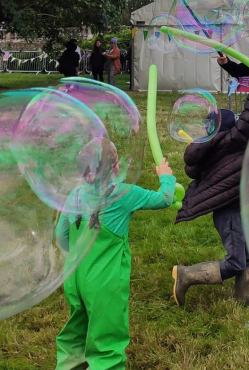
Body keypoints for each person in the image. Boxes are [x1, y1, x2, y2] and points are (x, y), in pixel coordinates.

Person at [55, 156, 176, 370]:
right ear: (116, 167)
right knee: (106, 341)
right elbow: (164, 199)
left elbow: (61, 235)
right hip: (104, 282)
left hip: (74, 278)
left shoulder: (75, 194)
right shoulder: (123, 194)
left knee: (76, 329)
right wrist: (166, 178)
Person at [171, 66, 249, 307]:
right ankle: (186, 275)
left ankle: (244, 302)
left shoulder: (216, 147)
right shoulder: (231, 141)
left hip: (236, 207)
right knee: (237, 261)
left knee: (248, 259)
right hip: (230, 211)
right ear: (227, 129)